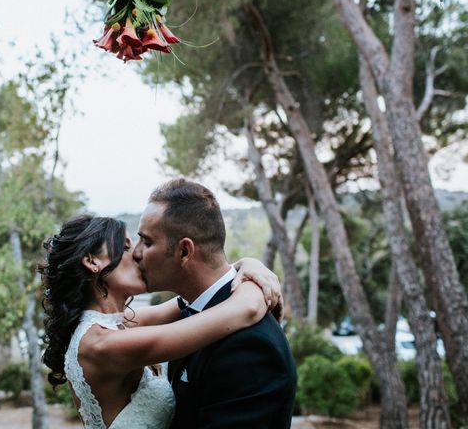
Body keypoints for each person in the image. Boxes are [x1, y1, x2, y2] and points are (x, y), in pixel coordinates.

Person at [39, 214, 281, 429]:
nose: (137, 255)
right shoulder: (102, 344)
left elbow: (198, 294)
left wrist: (247, 264)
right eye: (125, 247)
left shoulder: (117, 324)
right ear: (93, 262)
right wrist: (260, 280)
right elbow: (246, 309)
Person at [133, 178, 297, 428]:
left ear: (185, 252)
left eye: (147, 242)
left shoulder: (250, 346)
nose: (136, 253)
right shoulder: (191, 312)